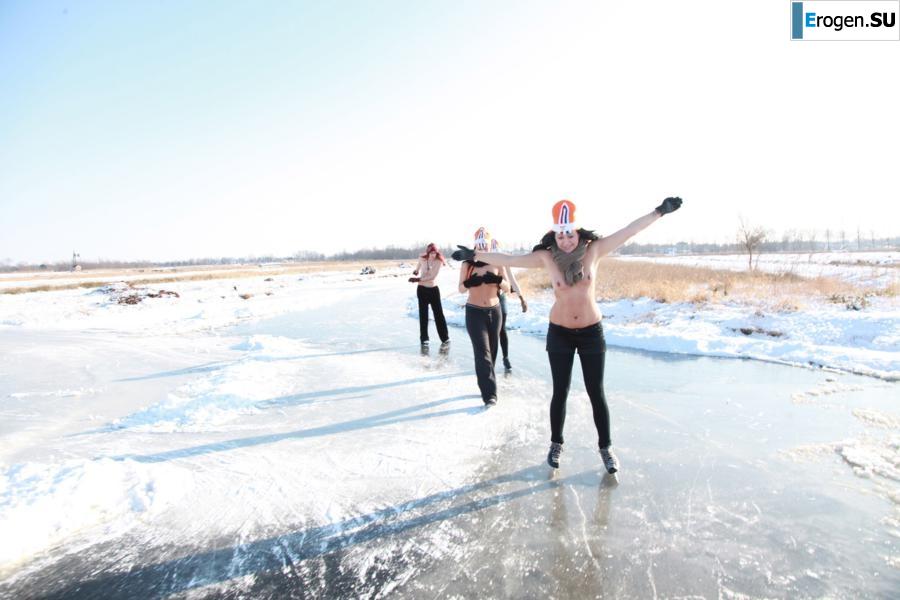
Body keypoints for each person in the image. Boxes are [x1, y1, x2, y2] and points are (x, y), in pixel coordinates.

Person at [453, 197, 683, 473]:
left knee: (596, 392)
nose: (565, 241)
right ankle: (556, 443)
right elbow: (509, 259)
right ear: (555, 235)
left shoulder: (594, 250)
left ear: (578, 232)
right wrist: (474, 255)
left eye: (570, 234)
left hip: (591, 332)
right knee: (560, 391)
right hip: (559, 332)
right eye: (560, 236)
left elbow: (629, 231)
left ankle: (606, 447)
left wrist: (659, 212)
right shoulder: (547, 257)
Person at [458, 227, 510, 406]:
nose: (482, 248)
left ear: (488, 246)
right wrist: (469, 282)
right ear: (475, 246)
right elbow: (460, 288)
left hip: (494, 311)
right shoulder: (467, 264)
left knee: (492, 351)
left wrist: (498, 280)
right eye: (479, 245)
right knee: (483, 352)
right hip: (474, 312)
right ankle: (489, 394)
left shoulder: (497, 262)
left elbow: (508, 288)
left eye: (484, 245)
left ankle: (486, 380)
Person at [490, 238, 528, 371]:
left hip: (501, 298)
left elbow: (512, 280)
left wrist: (522, 298)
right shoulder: (485, 262)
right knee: (491, 331)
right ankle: (490, 360)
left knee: (501, 329)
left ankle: (505, 357)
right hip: (488, 299)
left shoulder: (504, 263)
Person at [409, 243, 450, 347]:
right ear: (428, 252)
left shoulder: (438, 261)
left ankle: (445, 338)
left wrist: (418, 279)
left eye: (435, 253)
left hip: (433, 290)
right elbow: (419, 263)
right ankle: (424, 339)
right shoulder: (422, 258)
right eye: (431, 253)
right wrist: (416, 270)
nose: (433, 255)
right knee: (423, 314)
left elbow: (432, 276)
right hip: (422, 290)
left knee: (439, 314)